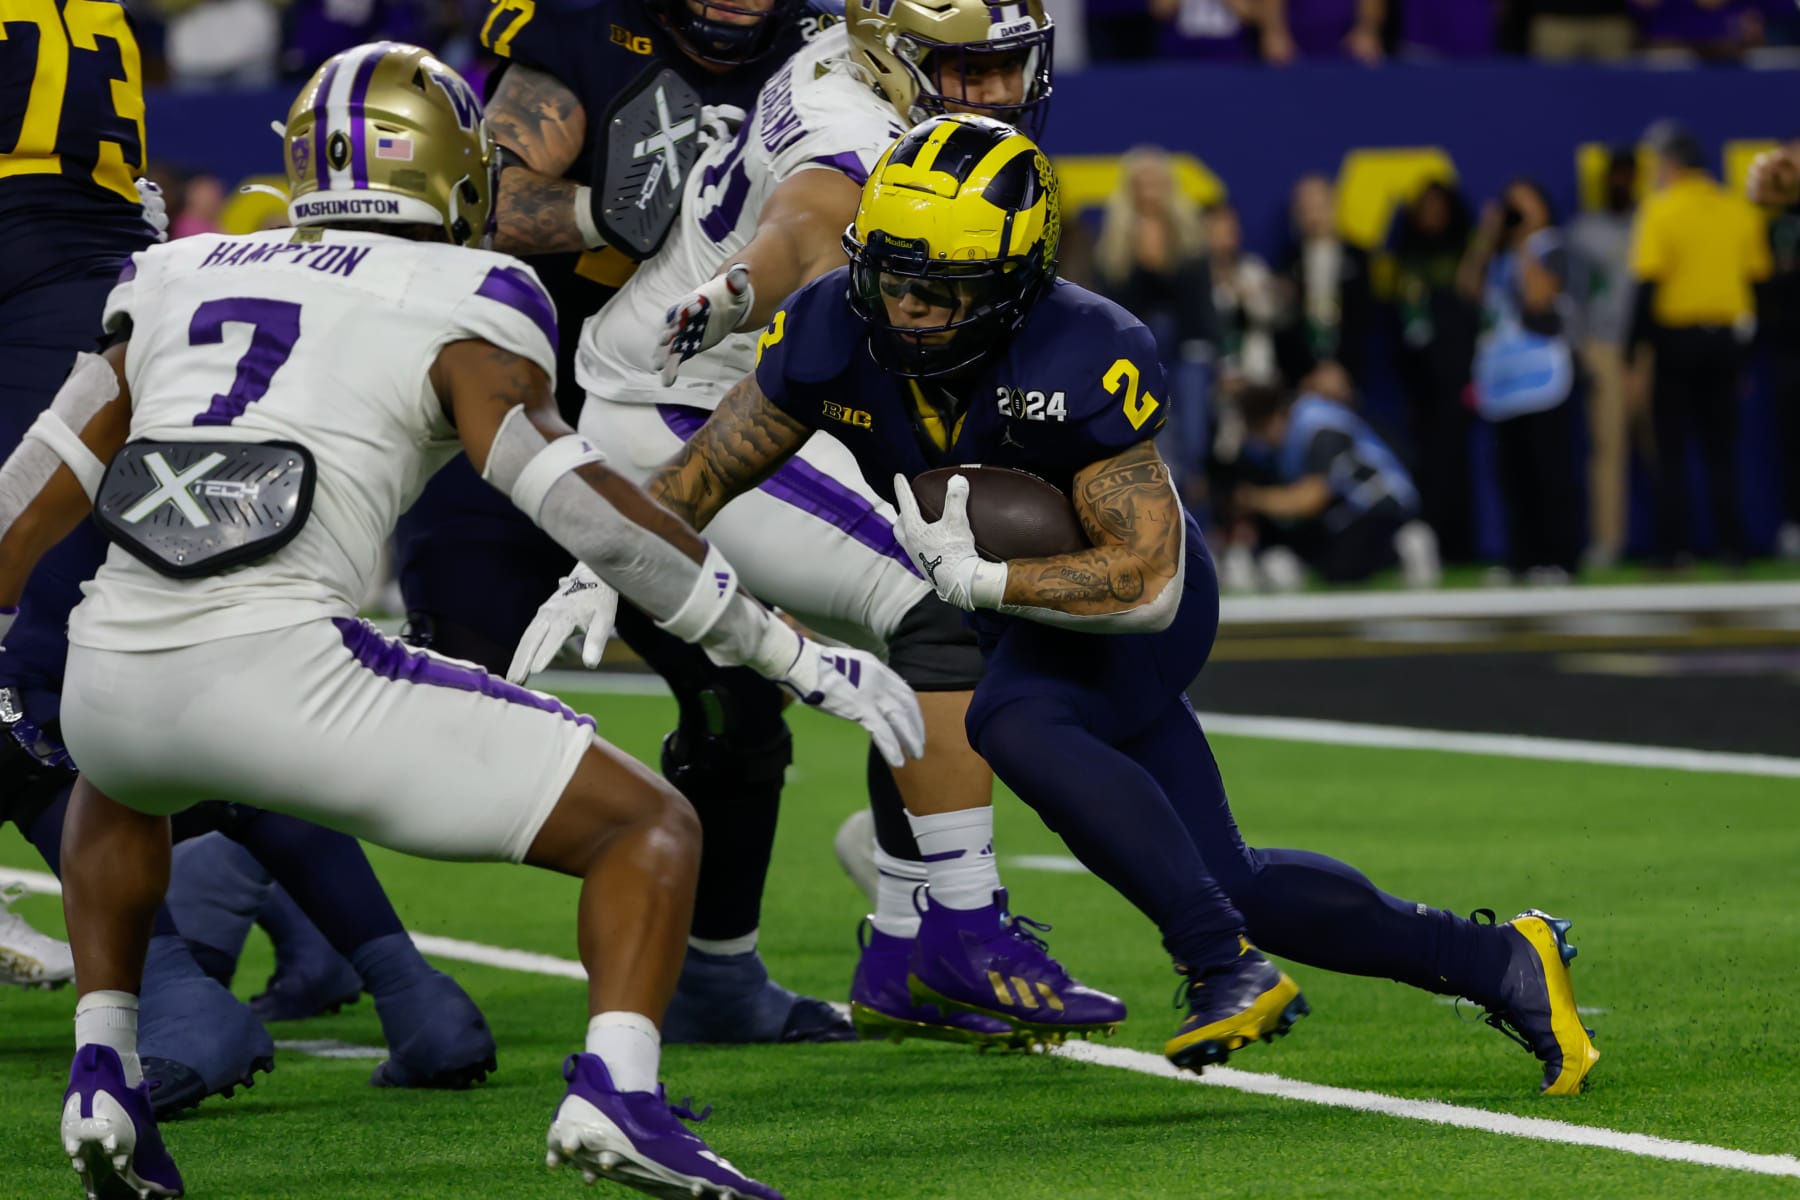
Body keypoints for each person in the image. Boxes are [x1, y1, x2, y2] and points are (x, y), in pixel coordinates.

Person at [0, 43, 921, 1200]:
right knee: (650, 829)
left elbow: (33, 483)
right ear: (449, 171)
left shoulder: (175, 271)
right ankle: (619, 1097)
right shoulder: (468, 293)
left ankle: (104, 1065)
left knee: (113, 778)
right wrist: (779, 645)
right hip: (286, 672)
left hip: (113, 679)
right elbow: (579, 504)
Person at [638, 112, 1602, 1094]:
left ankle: (1220, 965)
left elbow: (1147, 580)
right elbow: (703, 472)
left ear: (1013, 283)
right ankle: (1503, 963)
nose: (910, 306)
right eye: (892, 273)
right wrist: (607, 556)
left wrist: (984, 581)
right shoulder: (834, 327)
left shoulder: (1083, 349)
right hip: (1014, 617)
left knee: (1006, 715)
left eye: (944, 286)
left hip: (1135, 614)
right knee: (1237, 883)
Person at [518, 0, 1122, 1049]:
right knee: (943, 602)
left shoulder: (860, 70)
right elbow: (804, 231)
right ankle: (959, 934)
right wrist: (742, 289)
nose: (992, 94)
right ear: (891, 57)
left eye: (1006, 68)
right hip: (688, 398)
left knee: (957, 604)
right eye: (961, 70)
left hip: (793, 388)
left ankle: (902, 943)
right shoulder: (845, 111)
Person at [0, 1, 502, 1113]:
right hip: (123, 280)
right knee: (201, 657)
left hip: (34, 284)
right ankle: (405, 985)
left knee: (27, 684)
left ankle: (176, 991)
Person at [377, 0, 876, 1048]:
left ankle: (716, 978)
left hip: (674, 426)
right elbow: (492, 202)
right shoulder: (580, 25)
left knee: (736, 697)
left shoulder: (830, 55)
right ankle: (261, 928)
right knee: (433, 693)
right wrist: (611, 216)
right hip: (512, 403)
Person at [1629, 124, 1768, 567]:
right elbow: (1758, 288)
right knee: (1720, 450)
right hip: (1726, 342)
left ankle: (1675, 549)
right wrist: (1747, 354)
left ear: (1673, 165)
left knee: (1671, 449)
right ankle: (1733, 547)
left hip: (1677, 342)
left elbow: (1648, 286)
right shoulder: (1737, 210)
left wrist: (1635, 351)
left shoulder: (1662, 208)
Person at [1459, 179, 1583, 581]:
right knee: (1513, 480)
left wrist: (1525, 242)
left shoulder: (1550, 248)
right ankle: (1521, 560)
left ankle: (1559, 560)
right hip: (1502, 383)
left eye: (1523, 205)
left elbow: (1538, 298)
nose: (1515, 213)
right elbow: (1467, 289)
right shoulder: (1496, 255)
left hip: (1543, 379)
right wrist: (1486, 238)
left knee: (1550, 476)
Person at [1236, 381, 1438, 586]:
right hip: (1344, 512)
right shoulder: (1293, 431)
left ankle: (1403, 544)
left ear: (1275, 416)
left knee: (1342, 568)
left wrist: (1252, 499)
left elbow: (1311, 499)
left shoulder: (1318, 426)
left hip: (1381, 506)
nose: (1262, 442)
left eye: (1261, 431)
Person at [1387, 180, 1478, 562]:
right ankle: (1432, 545)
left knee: (1458, 463)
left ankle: (1462, 548)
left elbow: (1475, 303)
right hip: (1419, 382)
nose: (1432, 215)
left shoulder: (1464, 254)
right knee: (1424, 464)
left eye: (1438, 207)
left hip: (1460, 375)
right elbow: (1404, 326)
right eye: (1424, 208)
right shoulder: (1407, 261)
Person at [1567, 147, 1644, 570]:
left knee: (1661, 443)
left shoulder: (1654, 222)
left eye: (1627, 175)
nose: (1620, 183)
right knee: (1606, 446)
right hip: (1604, 344)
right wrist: (1581, 348)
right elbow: (1574, 295)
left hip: (1650, 344)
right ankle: (1607, 540)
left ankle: (1679, 541)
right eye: (1614, 175)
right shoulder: (1585, 231)